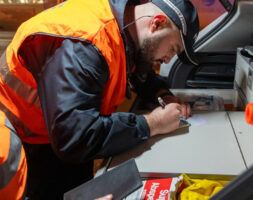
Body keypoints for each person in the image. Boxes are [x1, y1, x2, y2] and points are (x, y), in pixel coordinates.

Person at [0, 0, 199, 199]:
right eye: (173, 49)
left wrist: (162, 95)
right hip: (25, 141)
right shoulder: (85, 43)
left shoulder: (124, 26)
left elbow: (137, 70)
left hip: (58, 130)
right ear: (157, 23)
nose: (167, 59)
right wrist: (153, 123)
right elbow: (75, 138)